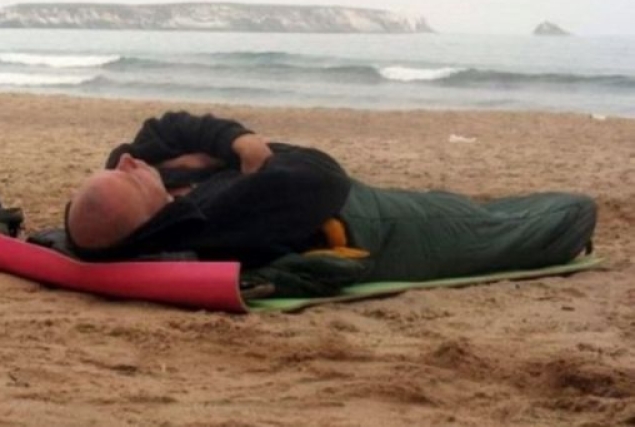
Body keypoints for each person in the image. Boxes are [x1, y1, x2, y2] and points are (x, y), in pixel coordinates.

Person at [62, 111, 596, 296]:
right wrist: (250, 154)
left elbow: (159, 129)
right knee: (552, 217)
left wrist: (234, 143)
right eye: (128, 178)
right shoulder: (216, 219)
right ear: (151, 220)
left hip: (351, 202)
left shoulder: (137, 184)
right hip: (367, 225)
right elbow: (318, 172)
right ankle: (566, 217)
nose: (130, 163)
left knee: (453, 203)